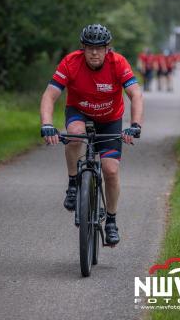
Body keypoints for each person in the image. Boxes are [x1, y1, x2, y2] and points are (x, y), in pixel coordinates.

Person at [40, 24, 143, 246]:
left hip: (110, 120)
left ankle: (112, 221)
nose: (94, 52)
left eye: (99, 48)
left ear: (108, 49)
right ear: (82, 48)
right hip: (80, 112)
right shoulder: (70, 62)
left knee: (111, 170)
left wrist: (135, 125)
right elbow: (49, 96)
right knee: (75, 134)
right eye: (89, 48)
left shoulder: (118, 63)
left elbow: (135, 95)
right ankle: (73, 184)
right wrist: (47, 124)